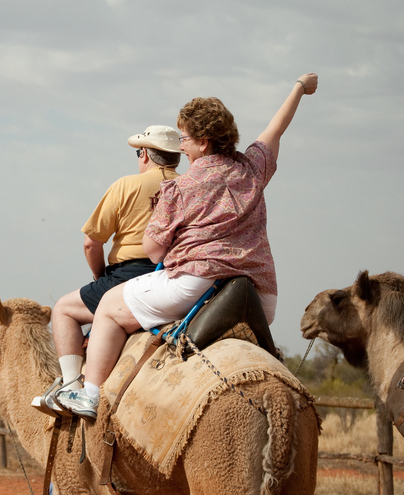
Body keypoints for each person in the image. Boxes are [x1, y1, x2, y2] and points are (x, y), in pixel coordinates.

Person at [55, 73, 319, 420]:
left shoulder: (181, 187)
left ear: (204, 142)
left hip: (196, 284)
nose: (182, 147)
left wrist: (169, 248)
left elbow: (152, 249)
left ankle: (88, 395)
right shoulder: (252, 168)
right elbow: (275, 129)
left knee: (107, 306)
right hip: (260, 297)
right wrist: (299, 88)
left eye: (185, 139)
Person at [32, 125, 182, 414]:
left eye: (139, 152)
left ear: (146, 155)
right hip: (173, 279)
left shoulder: (125, 185)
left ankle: (72, 388)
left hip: (128, 276)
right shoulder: (189, 186)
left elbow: (91, 243)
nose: (139, 157)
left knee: (63, 309)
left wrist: (99, 277)